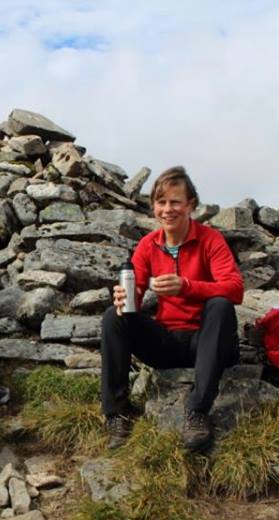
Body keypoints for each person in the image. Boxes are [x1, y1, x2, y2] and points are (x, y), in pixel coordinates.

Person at [100, 166, 244, 451]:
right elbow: (136, 296)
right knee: (112, 317)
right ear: (154, 206)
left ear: (191, 205)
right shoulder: (148, 245)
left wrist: (187, 286)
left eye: (176, 202)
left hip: (209, 342)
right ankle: (117, 414)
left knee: (220, 305)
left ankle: (197, 412)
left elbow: (235, 289)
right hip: (167, 343)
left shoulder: (210, 240)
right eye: (161, 202)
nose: (168, 209)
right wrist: (124, 298)